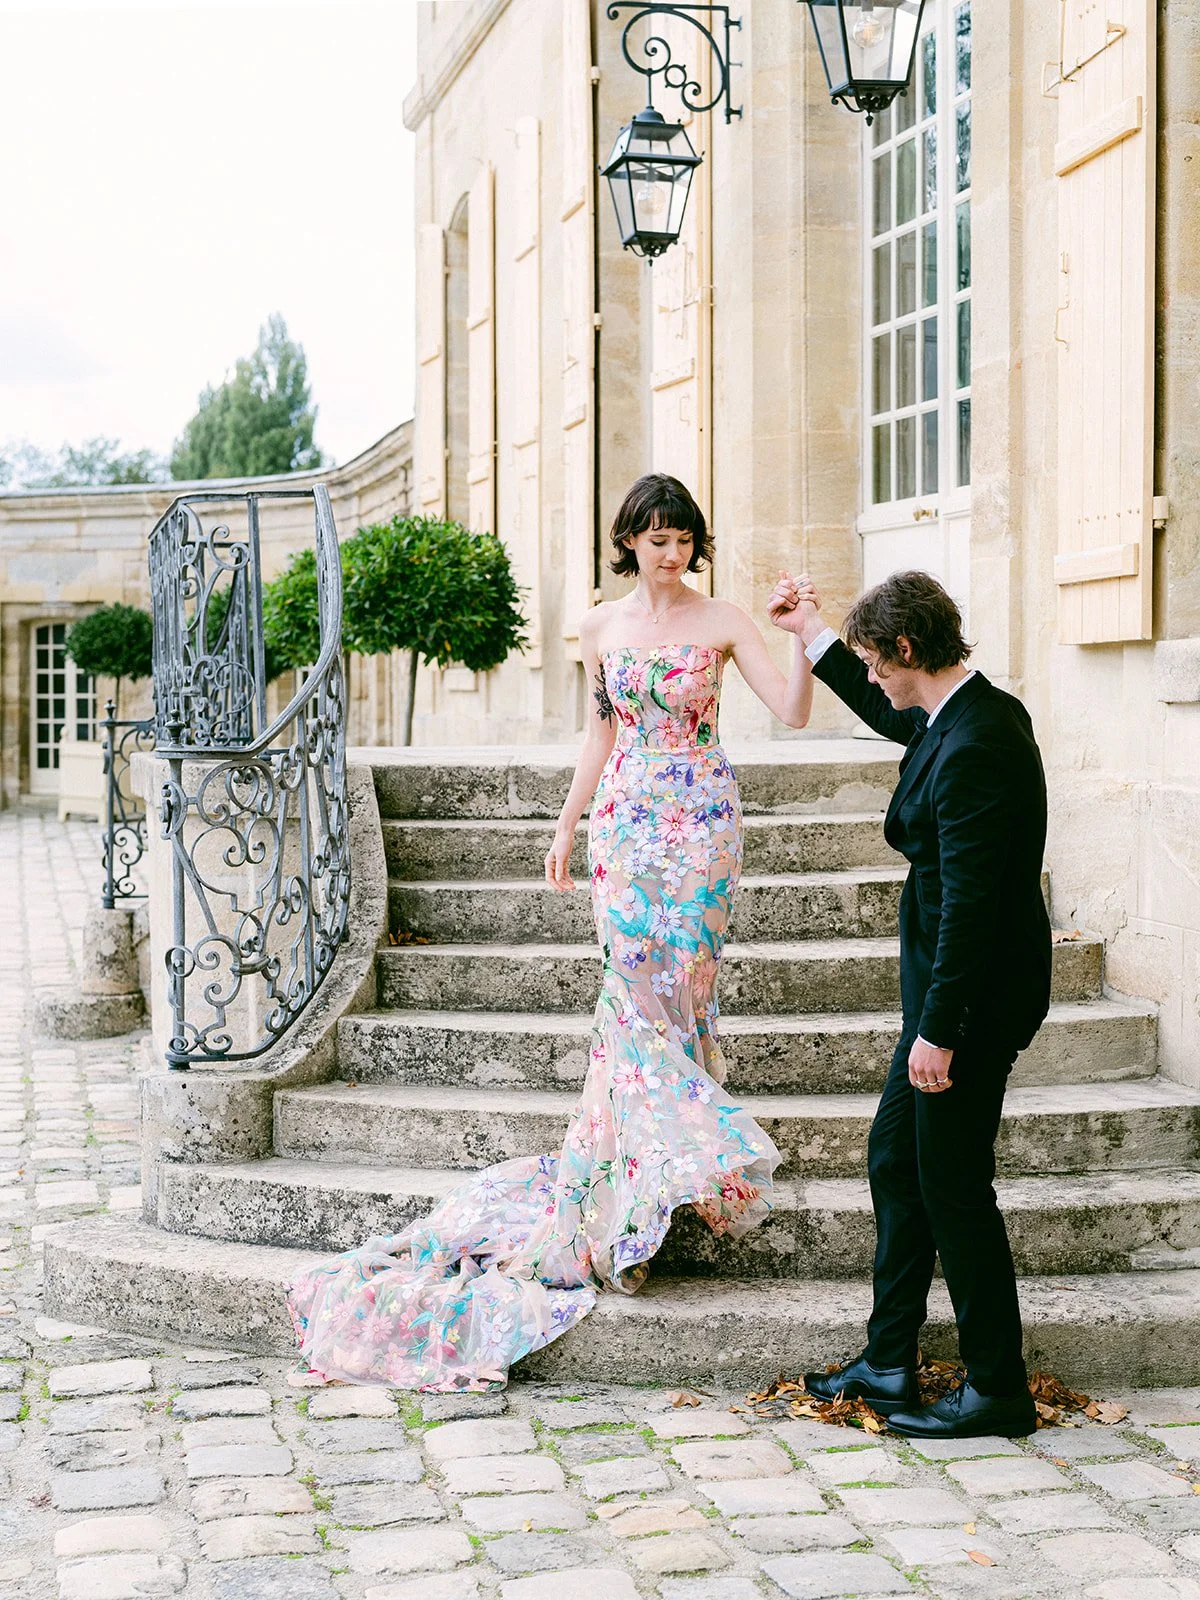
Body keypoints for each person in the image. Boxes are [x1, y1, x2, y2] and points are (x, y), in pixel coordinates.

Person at [286, 472, 818, 1391]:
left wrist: (805, 633)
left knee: (682, 1002)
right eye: (654, 538)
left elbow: (795, 710)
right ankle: (622, 1206)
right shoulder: (598, 627)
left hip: (699, 827)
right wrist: (567, 824)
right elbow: (601, 736)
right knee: (629, 1009)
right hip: (624, 826)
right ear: (628, 542)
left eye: (683, 537)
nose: (670, 552)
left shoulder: (727, 620)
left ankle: (662, 1192)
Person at [767, 568, 1050, 1440]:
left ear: (907, 648)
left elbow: (970, 906)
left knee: (955, 1188)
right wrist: (811, 633)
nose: (875, 677)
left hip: (965, 1009)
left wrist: (939, 1033)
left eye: (872, 660)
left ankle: (997, 1390)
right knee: (897, 1161)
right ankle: (889, 1360)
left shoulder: (979, 745)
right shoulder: (953, 714)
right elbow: (892, 712)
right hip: (940, 1000)